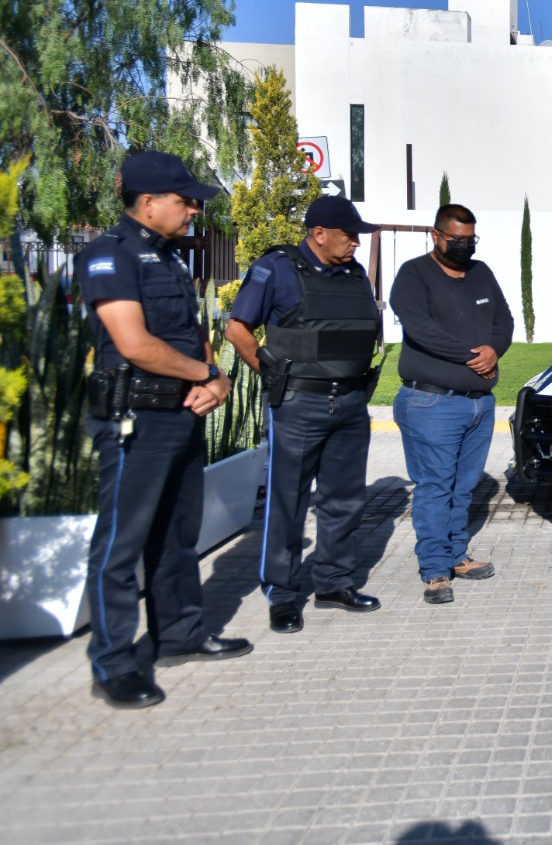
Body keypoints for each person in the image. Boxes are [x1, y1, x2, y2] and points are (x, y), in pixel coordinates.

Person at [75, 151, 252, 709]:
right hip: (136, 420)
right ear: (148, 202)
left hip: (181, 412)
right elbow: (134, 344)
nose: (195, 209)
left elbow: (190, 334)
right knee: (121, 543)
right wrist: (207, 374)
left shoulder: (170, 258)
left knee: (178, 534)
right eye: (185, 200)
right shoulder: (110, 254)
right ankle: (113, 663)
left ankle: (178, 634)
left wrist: (215, 380)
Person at [226, 196, 384, 635]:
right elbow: (237, 330)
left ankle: (334, 583)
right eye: (349, 235)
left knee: (345, 500)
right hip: (299, 404)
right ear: (319, 234)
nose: (356, 243)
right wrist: (272, 374)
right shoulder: (276, 268)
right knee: (288, 502)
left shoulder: (353, 273)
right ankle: (282, 594)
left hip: (350, 402)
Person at [390, 204, 513, 604]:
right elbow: (421, 330)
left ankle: (456, 554)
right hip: (431, 402)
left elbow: (505, 321)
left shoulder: (481, 273)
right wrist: (472, 356)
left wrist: (495, 350)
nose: (465, 246)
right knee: (435, 486)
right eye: (457, 239)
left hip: (479, 403)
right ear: (436, 235)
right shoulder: (414, 274)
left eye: (470, 239)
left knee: (463, 486)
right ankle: (435, 570)